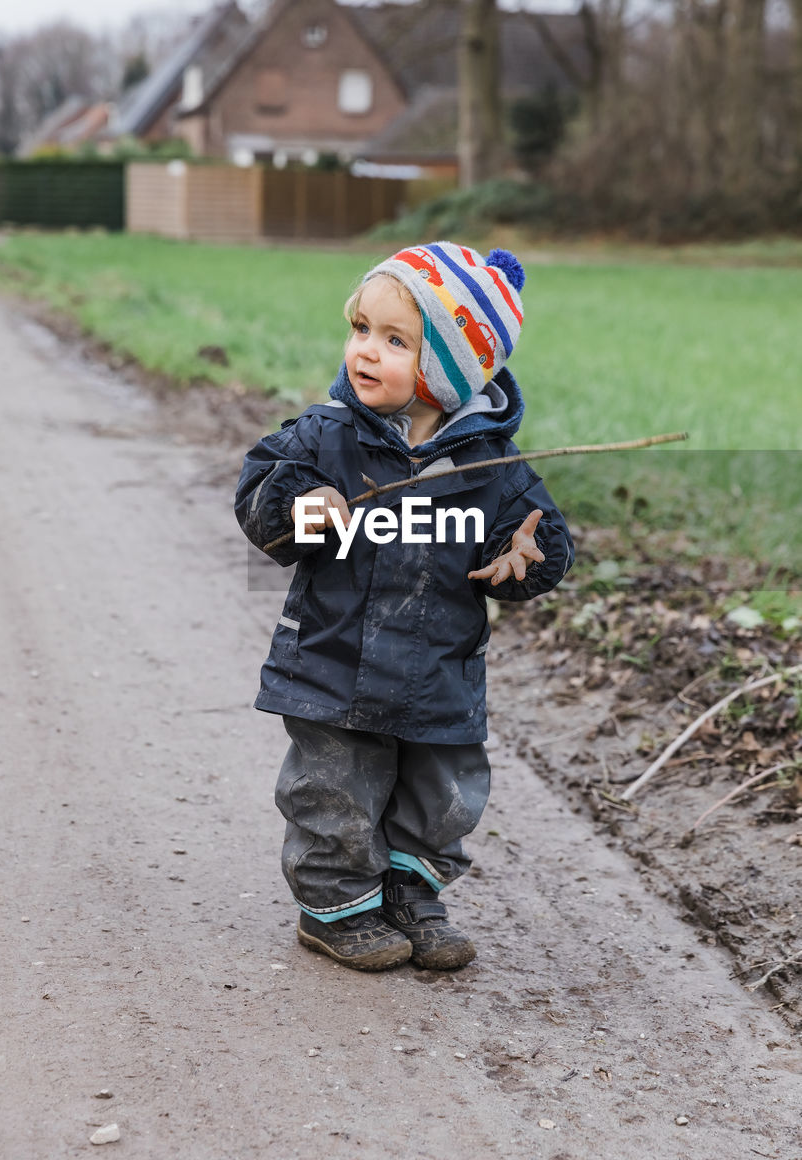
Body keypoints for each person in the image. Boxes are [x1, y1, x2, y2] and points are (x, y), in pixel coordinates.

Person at [235, 241, 574, 972]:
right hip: (333, 661)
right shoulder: (326, 437)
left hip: (439, 670)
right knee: (333, 789)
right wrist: (299, 507)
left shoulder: (492, 470)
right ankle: (336, 906)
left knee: (441, 794)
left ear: (451, 371)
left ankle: (411, 893)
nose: (365, 351)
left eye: (395, 340)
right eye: (360, 329)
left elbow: (541, 544)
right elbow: (259, 496)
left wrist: (524, 560)